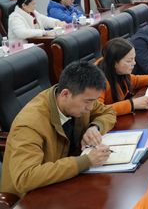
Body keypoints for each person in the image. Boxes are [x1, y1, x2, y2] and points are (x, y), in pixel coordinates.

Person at [1, 61, 117, 197]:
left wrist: (95, 127)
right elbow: (25, 177)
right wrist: (86, 161)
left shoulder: (79, 97)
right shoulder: (29, 125)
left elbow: (108, 112)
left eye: (93, 101)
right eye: (87, 102)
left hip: (64, 181)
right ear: (65, 94)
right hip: (32, 196)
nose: (90, 108)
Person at [97, 38, 148, 116]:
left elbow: (136, 80)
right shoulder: (98, 81)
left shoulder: (118, 72)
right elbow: (98, 110)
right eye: (129, 61)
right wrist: (132, 104)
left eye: (134, 58)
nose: (134, 63)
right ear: (114, 63)